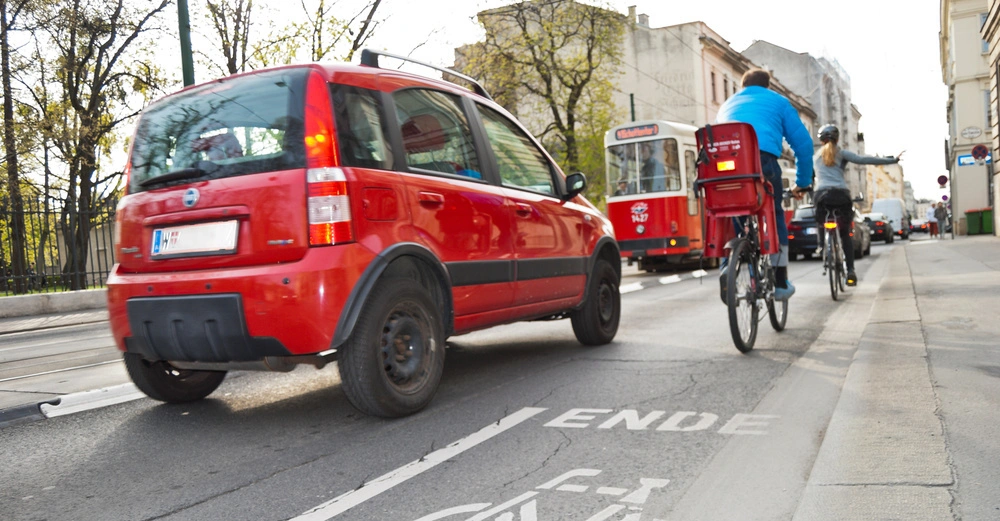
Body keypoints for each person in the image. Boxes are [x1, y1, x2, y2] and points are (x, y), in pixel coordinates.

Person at [716, 68, 814, 302]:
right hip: (763, 162)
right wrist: (802, 183)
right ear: (767, 86)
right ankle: (780, 281)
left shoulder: (726, 105)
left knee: (733, 211)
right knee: (775, 212)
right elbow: (804, 146)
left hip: (727, 167)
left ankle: (728, 264)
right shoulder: (778, 102)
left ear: (743, 86)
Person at [792, 124, 900, 286]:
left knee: (821, 219)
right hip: (841, 196)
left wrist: (796, 190)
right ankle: (850, 271)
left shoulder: (815, 158)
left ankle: (821, 246)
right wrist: (892, 160)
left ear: (821, 141)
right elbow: (863, 160)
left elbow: (807, 179)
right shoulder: (842, 154)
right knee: (844, 233)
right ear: (837, 139)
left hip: (822, 196)